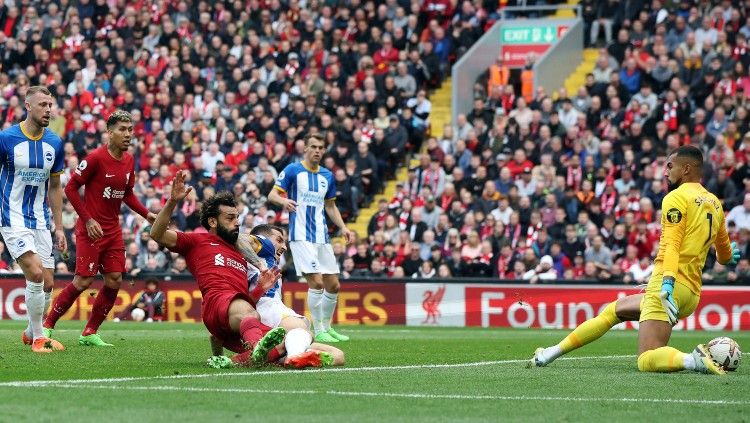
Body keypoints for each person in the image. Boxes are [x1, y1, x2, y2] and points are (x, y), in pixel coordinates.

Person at [529, 146, 741, 375]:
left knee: (646, 359)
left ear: (686, 168)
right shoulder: (715, 203)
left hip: (668, 286)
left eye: (670, 165)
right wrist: (730, 256)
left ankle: (693, 360)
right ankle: (550, 352)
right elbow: (724, 254)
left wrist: (667, 283)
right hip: (691, 291)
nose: (665, 170)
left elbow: (672, 245)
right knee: (614, 311)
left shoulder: (676, 198)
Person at [42, 111, 157, 346]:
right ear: (109, 132)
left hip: (112, 230)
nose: (128, 135)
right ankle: (47, 326)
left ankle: (90, 332)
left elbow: (127, 194)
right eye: (122, 130)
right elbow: (71, 188)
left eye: (130, 130)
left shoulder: (128, 160)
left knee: (115, 279)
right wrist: (88, 219)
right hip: (90, 229)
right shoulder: (95, 158)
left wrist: (148, 214)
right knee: (83, 281)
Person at [150, 172, 286, 365]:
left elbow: (247, 301)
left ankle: (232, 361)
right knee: (251, 317)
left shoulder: (240, 251)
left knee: (287, 344)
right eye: (230, 218)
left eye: (237, 217)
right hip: (217, 304)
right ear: (213, 222)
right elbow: (156, 234)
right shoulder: (197, 240)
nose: (237, 223)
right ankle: (257, 348)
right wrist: (172, 201)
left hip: (235, 318)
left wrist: (260, 289)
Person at [208, 224, 345, 369]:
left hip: (253, 318)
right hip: (266, 310)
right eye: (279, 240)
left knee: (337, 356)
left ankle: (243, 360)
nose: (284, 247)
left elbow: (216, 335)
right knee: (299, 329)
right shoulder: (265, 249)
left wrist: (217, 350)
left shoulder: (251, 263)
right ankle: (294, 357)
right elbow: (237, 237)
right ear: (261, 240)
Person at [268, 133, 354, 343]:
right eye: (313, 146)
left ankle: (328, 327)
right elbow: (272, 195)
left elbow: (330, 206)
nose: (317, 150)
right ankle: (318, 329)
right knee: (316, 282)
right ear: (305, 148)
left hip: (322, 237)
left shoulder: (327, 175)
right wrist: (283, 202)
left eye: (321, 147)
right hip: (300, 236)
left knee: (333, 285)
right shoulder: (293, 170)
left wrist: (342, 227)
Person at [2, 86, 66, 353]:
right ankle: (40, 337)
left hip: (39, 220)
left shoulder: (55, 143)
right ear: (28, 106)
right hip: (11, 216)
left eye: (50, 105)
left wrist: (60, 227)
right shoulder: (6, 139)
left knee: (49, 282)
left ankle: (30, 331)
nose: (48, 110)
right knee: (36, 274)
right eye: (42, 104)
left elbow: (55, 187)